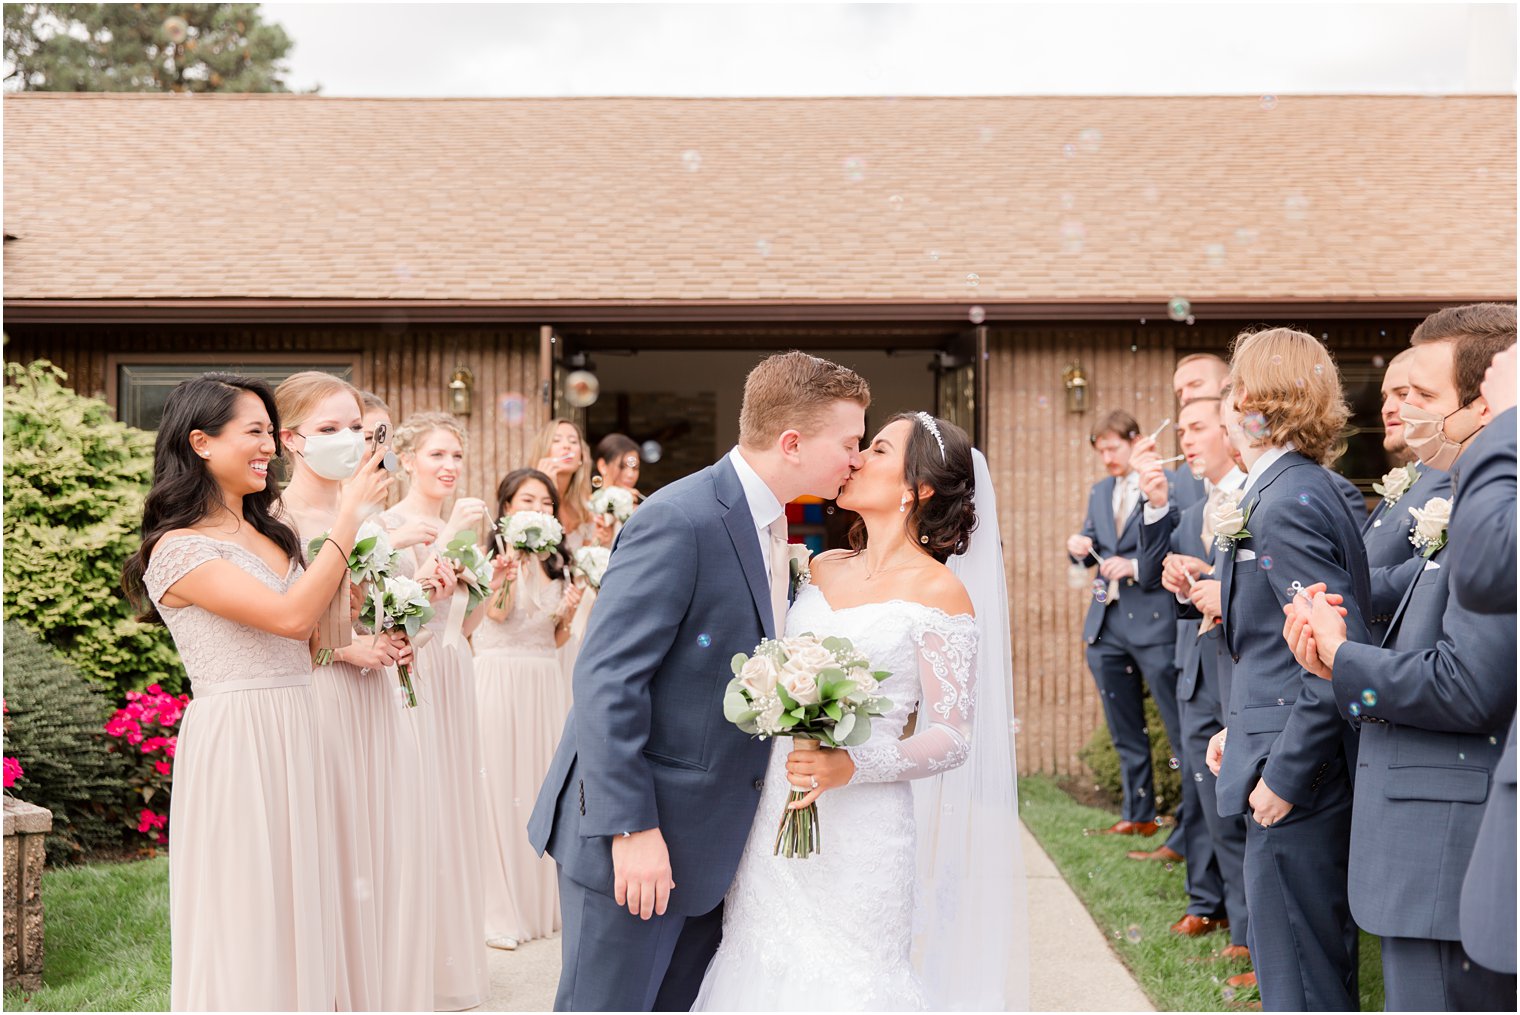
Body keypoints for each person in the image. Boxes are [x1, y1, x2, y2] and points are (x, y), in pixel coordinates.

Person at [527, 351, 870, 1011]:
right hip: (638, 842)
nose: (855, 458)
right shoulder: (679, 518)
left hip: (707, 847)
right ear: (793, 442)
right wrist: (631, 829)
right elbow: (606, 679)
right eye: (849, 442)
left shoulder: (773, 523)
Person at [694, 412, 1026, 1010]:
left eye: (876, 449)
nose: (855, 459)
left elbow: (953, 735)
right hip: (777, 811)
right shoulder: (818, 569)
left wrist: (853, 765)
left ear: (917, 488)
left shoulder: (940, 593)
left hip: (863, 832)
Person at [121, 373, 390, 1011]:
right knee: (250, 899)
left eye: (273, 432)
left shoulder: (273, 533)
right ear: (202, 443)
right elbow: (289, 617)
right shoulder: (177, 550)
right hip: (241, 735)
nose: (270, 446)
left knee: (307, 894)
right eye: (255, 432)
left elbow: (314, 638)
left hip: (303, 722)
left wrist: (354, 600)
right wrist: (348, 521)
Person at [1283, 304, 1518, 1009]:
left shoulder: (1495, 502)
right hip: (1421, 838)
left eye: (1425, 394)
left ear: (1482, 404)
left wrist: (1342, 659)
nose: (1401, 409)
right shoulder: (1450, 496)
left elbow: (1467, 685)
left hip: (1451, 842)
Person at [1204, 328, 1370, 1011]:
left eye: (1230, 387)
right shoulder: (1301, 487)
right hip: (1272, 748)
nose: (1224, 403)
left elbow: (1330, 651)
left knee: (1301, 982)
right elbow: (1275, 644)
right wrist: (1236, 729)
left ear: (1250, 400)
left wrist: (1284, 775)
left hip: (1298, 782)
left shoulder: (1284, 503)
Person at [273, 373, 433, 1011]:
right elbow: (276, 626)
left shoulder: (374, 518)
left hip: (376, 701)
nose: (349, 441)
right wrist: (343, 648)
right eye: (329, 429)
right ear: (291, 440)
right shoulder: (276, 521)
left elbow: (374, 602)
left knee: (382, 850)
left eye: (357, 429)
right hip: (318, 701)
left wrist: (397, 629)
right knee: (332, 853)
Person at [377, 411, 491, 1011]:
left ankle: (450, 956)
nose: (448, 467)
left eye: (456, 457)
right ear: (408, 459)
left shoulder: (462, 528)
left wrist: (478, 585)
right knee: (417, 809)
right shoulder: (387, 527)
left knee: (453, 808)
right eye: (437, 455)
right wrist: (444, 550)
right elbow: (398, 618)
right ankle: (409, 962)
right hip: (407, 674)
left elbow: (463, 626)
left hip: (453, 671)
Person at [1134, 396, 1249, 956]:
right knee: (1207, 798)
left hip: (1243, 665)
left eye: (1197, 427)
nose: (1185, 439)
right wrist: (1156, 507)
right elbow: (1153, 564)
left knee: (1242, 800)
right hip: (1197, 662)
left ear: (1232, 432)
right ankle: (1217, 909)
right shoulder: (1187, 494)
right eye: (1180, 428)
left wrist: (1216, 583)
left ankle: (1250, 933)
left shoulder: (1255, 493)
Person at [476, 468, 584, 951]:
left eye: (546, 503)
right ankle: (503, 903)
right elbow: (496, 614)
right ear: (505, 508)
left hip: (543, 678)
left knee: (541, 782)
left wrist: (568, 611)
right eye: (527, 501)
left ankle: (542, 901)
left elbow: (556, 637)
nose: (538, 510)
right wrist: (511, 564)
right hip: (500, 676)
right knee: (501, 782)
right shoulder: (494, 558)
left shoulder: (560, 563)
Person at [1065, 410, 1185, 841]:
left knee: (1177, 729)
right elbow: (1090, 544)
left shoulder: (1163, 485)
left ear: (1136, 441)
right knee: (1124, 728)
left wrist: (1133, 564)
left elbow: (1173, 542)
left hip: (1154, 622)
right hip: (1106, 625)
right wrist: (1077, 548)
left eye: (1113, 448)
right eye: (1101, 451)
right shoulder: (1100, 491)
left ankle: (1188, 828)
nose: (1107, 458)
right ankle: (1140, 814)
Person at [1362, 349, 1453, 638]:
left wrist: (1345, 582)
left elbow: (1431, 570)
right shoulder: (1412, 476)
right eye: (1384, 397)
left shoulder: (1448, 474)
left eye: (1402, 394)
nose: (1388, 407)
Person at [594, 432, 644, 500]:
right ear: (603, 466)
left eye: (635, 468)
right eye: (622, 467)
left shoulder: (641, 507)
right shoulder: (587, 505)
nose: (630, 475)